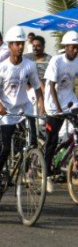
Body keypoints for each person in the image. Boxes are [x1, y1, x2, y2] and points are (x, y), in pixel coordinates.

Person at [0, 26, 44, 184]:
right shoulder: (2, 68)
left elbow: (37, 88)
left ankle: (25, 173)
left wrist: (42, 107)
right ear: (10, 45)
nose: (20, 47)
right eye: (17, 44)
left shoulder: (29, 65)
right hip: (6, 111)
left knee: (33, 143)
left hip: (24, 107)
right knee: (6, 148)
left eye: (22, 43)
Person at [42, 30, 78, 192]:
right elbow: (51, 86)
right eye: (72, 47)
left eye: (77, 47)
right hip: (53, 105)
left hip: (70, 101)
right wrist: (57, 109)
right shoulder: (56, 61)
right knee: (52, 140)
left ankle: (69, 153)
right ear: (66, 46)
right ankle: (46, 174)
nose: (75, 50)